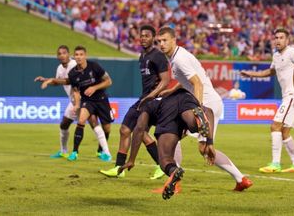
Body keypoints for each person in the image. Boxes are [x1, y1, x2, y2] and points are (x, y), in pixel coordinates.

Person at [157, 27, 252, 191]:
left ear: (174, 40)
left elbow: (197, 83)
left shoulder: (179, 59)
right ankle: (241, 179)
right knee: (204, 149)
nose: (161, 44)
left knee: (172, 135)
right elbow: (190, 80)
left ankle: (174, 183)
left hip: (206, 104)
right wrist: (173, 90)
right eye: (159, 41)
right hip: (210, 103)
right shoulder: (178, 56)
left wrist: (198, 109)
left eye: (165, 40)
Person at [100, 25, 170, 179]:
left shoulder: (158, 56)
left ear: (153, 38)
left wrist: (151, 96)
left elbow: (165, 81)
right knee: (125, 130)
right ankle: (119, 168)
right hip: (143, 98)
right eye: (141, 35)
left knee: (141, 132)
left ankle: (162, 165)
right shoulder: (142, 56)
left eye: (147, 36)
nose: (143, 38)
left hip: (153, 100)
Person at [119, 89, 214, 200]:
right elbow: (210, 113)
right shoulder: (164, 98)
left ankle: (173, 170)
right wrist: (210, 143)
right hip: (185, 96)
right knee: (193, 126)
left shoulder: (146, 106)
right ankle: (197, 119)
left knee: (165, 160)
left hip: (167, 113)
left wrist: (131, 160)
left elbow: (139, 129)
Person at [241, 28, 294, 173]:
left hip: (293, 95)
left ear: (287, 40)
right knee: (285, 132)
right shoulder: (276, 56)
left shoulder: (292, 52)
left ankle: (275, 164)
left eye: (281, 37)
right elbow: (269, 72)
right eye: (276, 37)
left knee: (275, 126)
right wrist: (251, 74)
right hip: (288, 96)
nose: (278, 40)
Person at [36, 45, 109, 159]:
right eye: (59, 54)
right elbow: (62, 81)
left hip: (85, 99)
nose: (62, 55)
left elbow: (72, 81)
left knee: (94, 122)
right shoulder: (60, 68)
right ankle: (64, 151)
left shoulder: (75, 65)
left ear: (69, 55)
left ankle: (104, 152)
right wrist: (48, 80)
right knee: (64, 124)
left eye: (64, 53)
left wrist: (78, 101)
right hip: (74, 101)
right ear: (57, 56)